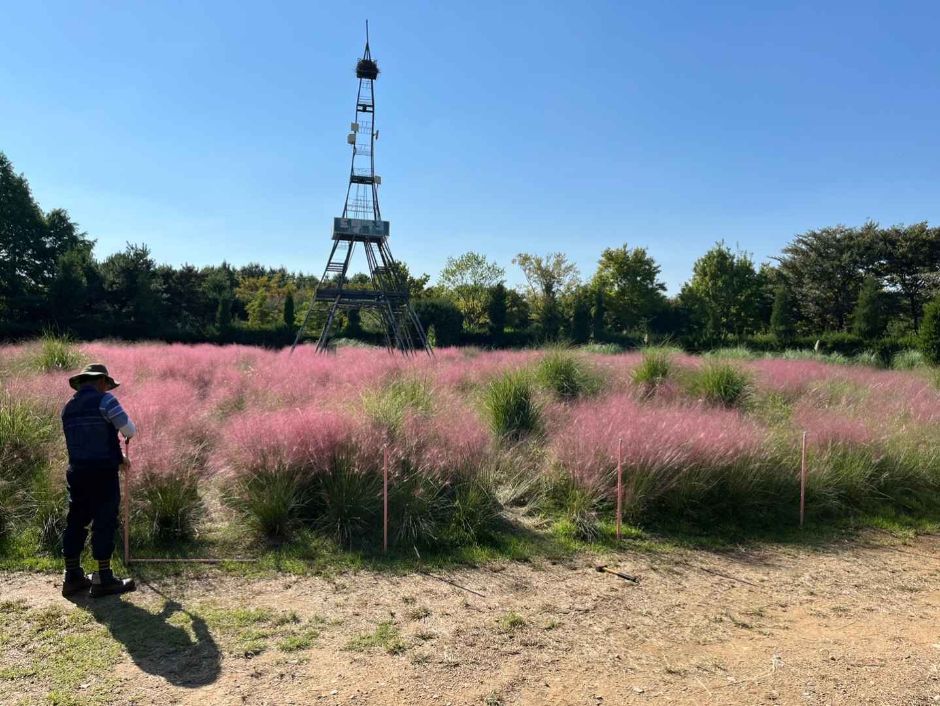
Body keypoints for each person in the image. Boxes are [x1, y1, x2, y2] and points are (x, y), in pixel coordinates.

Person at [60, 363, 137, 598]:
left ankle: (72, 577)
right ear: (101, 381)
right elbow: (128, 429)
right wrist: (120, 453)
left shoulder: (68, 408)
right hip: (103, 473)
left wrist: (118, 456)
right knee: (104, 521)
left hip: (77, 472)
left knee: (76, 520)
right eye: (107, 384)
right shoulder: (106, 401)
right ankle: (104, 579)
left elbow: (87, 440)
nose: (107, 388)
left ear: (82, 383)